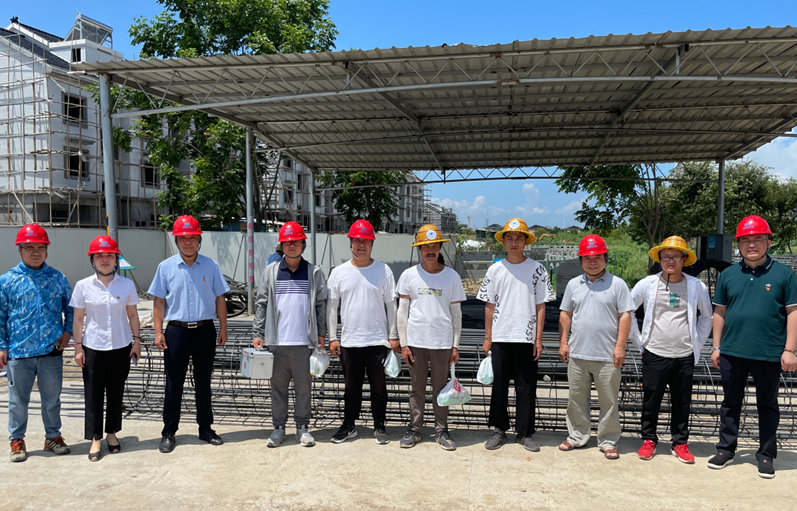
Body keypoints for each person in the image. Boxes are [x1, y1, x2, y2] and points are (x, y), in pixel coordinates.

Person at [708, 215, 797, 479]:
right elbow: (719, 312)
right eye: (746, 240)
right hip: (732, 351)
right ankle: (725, 449)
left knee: (767, 405)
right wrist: (716, 346)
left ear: (768, 241)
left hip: (768, 353)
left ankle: (766, 454)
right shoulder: (729, 275)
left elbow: (793, 312)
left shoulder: (784, 274)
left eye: (758, 239)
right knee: (730, 403)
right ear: (738, 244)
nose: (752, 245)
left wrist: (790, 350)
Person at [148, 215, 230, 453]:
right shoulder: (165, 268)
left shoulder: (211, 266)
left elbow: (220, 298)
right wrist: (158, 332)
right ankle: (169, 432)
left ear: (199, 239)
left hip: (204, 331)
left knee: (203, 382)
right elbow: (159, 302)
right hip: (176, 332)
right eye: (183, 238)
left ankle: (206, 428)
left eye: (192, 238)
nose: (188, 242)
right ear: (176, 240)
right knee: (174, 383)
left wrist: (223, 328)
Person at [630, 236, 712, 464]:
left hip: (684, 355)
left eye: (676, 256)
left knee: (682, 402)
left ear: (685, 259)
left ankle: (680, 443)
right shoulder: (647, 284)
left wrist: (697, 343)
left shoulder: (696, 286)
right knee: (651, 400)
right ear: (659, 259)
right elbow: (628, 310)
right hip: (654, 352)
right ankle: (648, 439)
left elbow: (707, 316)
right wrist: (639, 342)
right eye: (666, 256)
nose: (670, 260)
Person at [477, 218, 554, 451]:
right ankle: (498, 429)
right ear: (503, 242)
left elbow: (541, 305)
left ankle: (525, 432)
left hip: (526, 338)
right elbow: (489, 305)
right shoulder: (495, 270)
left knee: (526, 387)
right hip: (501, 337)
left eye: (518, 238)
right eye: (509, 238)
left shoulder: (537, 269)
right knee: (499, 386)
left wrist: (538, 339)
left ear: (525, 242)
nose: (513, 243)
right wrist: (488, 337)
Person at [0, 224, 73, 462]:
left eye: (40, 248)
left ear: (47, 250)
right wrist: (2, 346)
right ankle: (16, 440)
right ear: (19, 250)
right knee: (18, 402)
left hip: (51, 351)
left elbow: (71, 308)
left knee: (52, 399)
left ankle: (53, 437)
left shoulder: (57, 278)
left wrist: (67, 334)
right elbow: (0, 316)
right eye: (29, 248)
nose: (35, 252)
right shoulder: (7, 281)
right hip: (19, 352)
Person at [558, 234, 634, 460]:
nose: (592, 262)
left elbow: (625, 316)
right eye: (587, 258)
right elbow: (565, 313)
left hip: (607, 355)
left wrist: (620, 347)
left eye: (597, 257)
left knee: (609, 401)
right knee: (576, 399)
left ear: (605, 258)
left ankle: (608, 440)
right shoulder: (573, 284)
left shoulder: (617, 284)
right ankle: (577, 435)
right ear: (581, 260)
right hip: (578, 353)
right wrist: (563, 342)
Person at [252, 221, 327, 448]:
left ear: (303, 244)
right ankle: (278, 428)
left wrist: (321, 333)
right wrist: (258, 332)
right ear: (281, 246)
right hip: (277, 342)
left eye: (296, 242)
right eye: (287, 242)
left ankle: (302, 428)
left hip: (304, 343)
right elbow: (261, 303)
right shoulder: (271, 271)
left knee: (304, 388)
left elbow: (321, 304)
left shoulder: (313, 272)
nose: (292, 246)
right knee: (278, 388)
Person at [327, 219, 399, 444]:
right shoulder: (339, 272)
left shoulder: (383, 270)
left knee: (379, 387)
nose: (361, 245)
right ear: (350, 243)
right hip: (350, 342)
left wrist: (393, 335)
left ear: (372, 244)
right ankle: (349, 425)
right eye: (357, 241)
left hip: (377, 341)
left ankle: (379, 425)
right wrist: (332, 337)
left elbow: (391, 305)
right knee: (351, 388)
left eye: (366, 241)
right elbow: (332, 308)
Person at [70, 235, 141, 462]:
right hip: (93, 347)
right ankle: (95, 438)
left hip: (121, 347)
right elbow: (78, 319)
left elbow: (132, 315)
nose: (104, 259)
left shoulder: (127, 285)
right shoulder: (83, 286)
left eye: (109, 255)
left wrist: (137, 341)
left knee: (116, 392)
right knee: (93, 395)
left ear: (116, 259)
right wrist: (78, 347)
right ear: (92, 259)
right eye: (99, 256)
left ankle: (111, 433)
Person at [396, 225, 466, 450]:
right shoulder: (409, 276)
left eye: (434, 246)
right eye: (425, 247)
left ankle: (441, 430)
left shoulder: (451, 277)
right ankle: (414, 429)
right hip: (416, 342)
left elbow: (456, 314)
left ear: (440, 248)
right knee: (416, 388)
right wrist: (404, 344)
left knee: (441, 388)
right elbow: (402, 312)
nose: (430, 251)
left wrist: (455, 345)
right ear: (419, 249)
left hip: (441, 342)